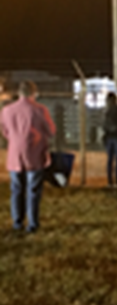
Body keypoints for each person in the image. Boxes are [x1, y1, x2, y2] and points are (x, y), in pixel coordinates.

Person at [0, 80, 56, 233]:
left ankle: (17, 222)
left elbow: (4, 131)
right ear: (33, 93)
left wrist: (14, 137)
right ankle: (32, 223)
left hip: (14, 154)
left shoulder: (6, 110)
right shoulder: (39, 110)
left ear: (19, 93)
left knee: (16, 189)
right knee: (33, 189)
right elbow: (51, 131)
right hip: (34, 154)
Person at [102, 92, 117, 187]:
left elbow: (103, 124)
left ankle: (109, 181)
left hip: (108, 136)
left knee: (110, 159)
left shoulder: (105, 110)